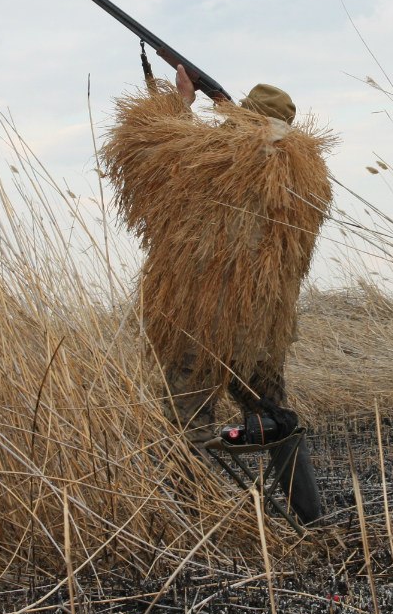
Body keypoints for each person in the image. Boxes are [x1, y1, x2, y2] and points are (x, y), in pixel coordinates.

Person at [101, 63, 334, 524]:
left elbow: (154, 156)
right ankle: (308, 516)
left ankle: (200, 525)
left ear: (246, 119)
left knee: (187, 420)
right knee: (274, 412)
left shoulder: (231, 156)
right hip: (265, 323)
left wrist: (181, 104)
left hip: (203, 317)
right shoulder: (310, 174)